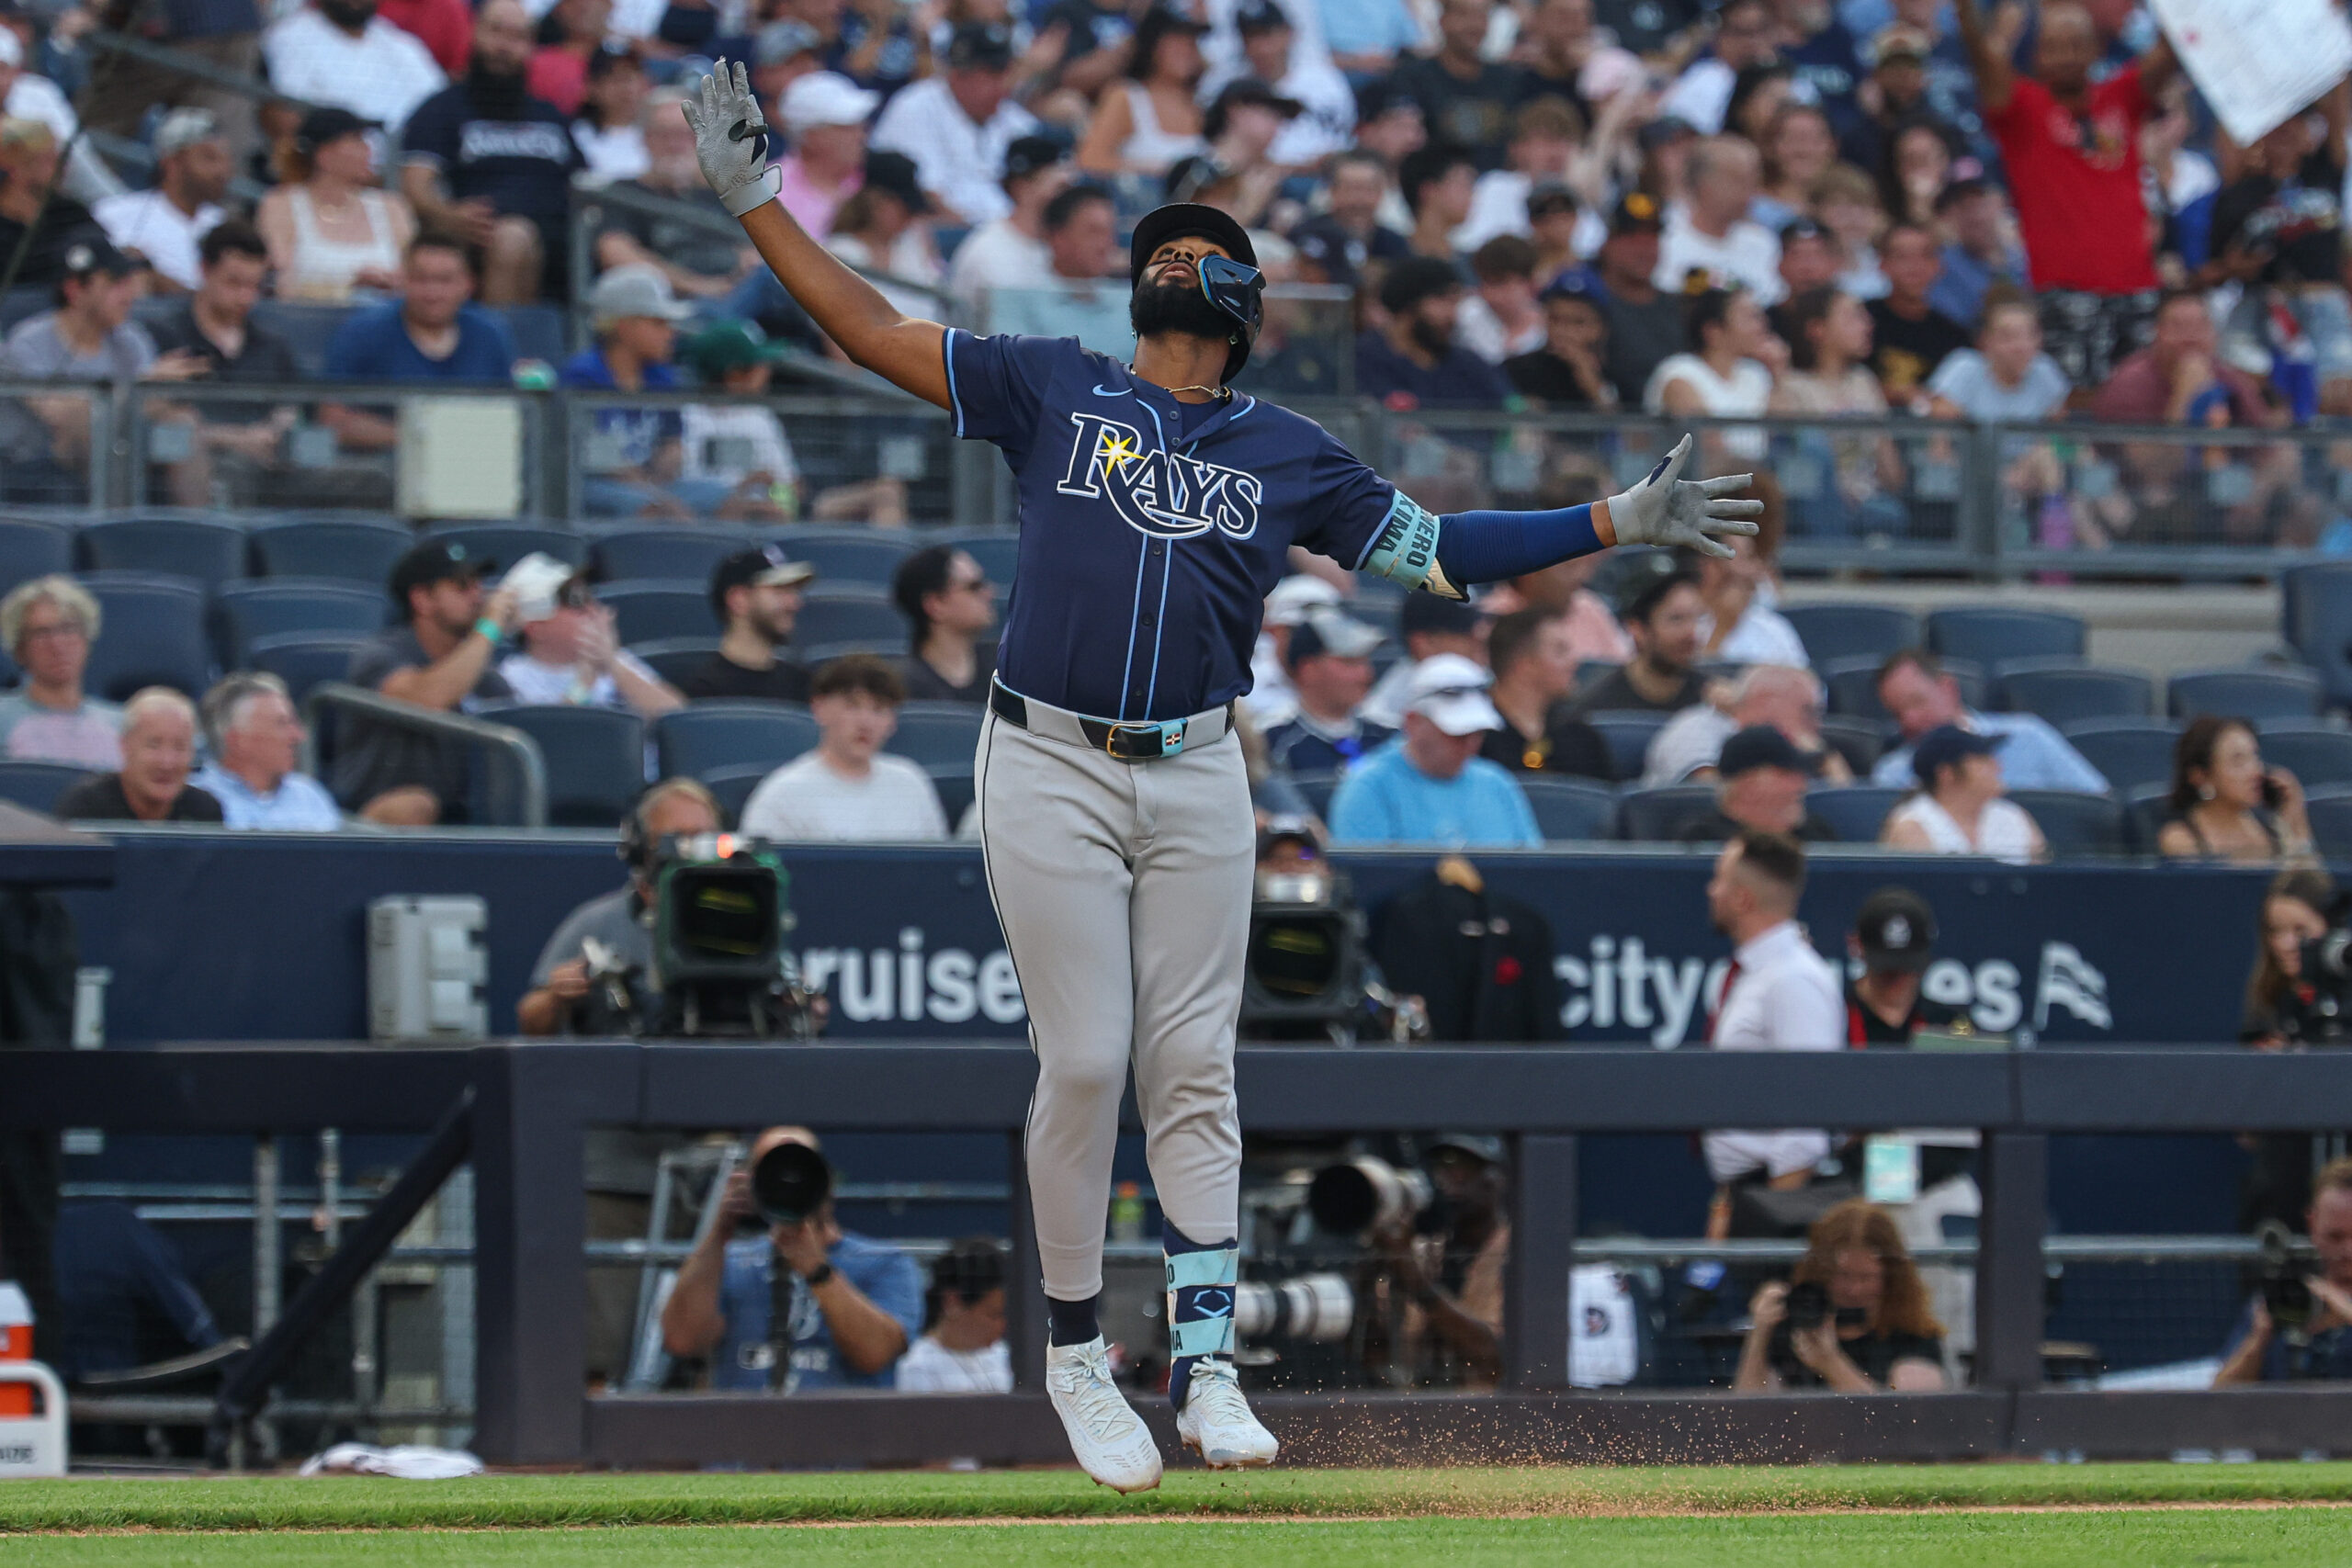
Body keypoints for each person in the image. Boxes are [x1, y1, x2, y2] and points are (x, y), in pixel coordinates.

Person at [682, 60, 1757, 1483]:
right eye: (1167, 247)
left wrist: (1610, 519)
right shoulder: (1053, 380)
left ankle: (1205, 1366)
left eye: (1209, 251)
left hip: (1197, 768)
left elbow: (1438, 551)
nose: (1182, 259)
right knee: (1081, 1058)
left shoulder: (1290, 450)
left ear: (1241, 302)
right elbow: (871, 324)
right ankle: (1074, 1356)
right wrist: (757, 201)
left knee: (1194, 1068)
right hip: (1049, 755)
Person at [1954, 0, 2171, 388]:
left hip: (2137, 287)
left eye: (2076, 44)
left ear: (2096, 50)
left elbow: (2172, 52)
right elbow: (1983, 60)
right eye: (2053, 46)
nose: (2066, 56)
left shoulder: (2120, 96)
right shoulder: (2023, 107)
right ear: (2036, 56)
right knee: (2071, 402)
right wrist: (1969, 16)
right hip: (2062, 289)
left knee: (2137, 404)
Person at [660, 1126, 925, 1392]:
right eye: (771, 1171)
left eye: (803, 1168)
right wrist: (720, 1231)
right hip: (745, 1427)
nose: (790, 1183)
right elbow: (682, 1340)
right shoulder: (730, 1261)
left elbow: (876, 1355)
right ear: (752, 1182)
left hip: (845, 1427)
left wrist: (817, 1269)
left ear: (828, 1180)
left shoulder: (883, 1260)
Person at [399, 0, 583, 306]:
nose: (504, 46)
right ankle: (504, 350)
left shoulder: (550, 115)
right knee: (512, 237)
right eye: (496, 32)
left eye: (517, 37)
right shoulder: (442, 108)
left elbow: (583, 184)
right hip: (479, 238)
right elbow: (415, 182)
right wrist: (446, 215)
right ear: (474, 33)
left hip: (560, 240)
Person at [0, 238, 209, 507]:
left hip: (123, 452)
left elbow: (149, 410)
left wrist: (164, 393)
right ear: (75, 290)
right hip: (39, 470)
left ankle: (198, 534)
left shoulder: (130, 339)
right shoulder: (29, 341)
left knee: (182, 423)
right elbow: (60, 416)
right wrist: (144, 385)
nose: (129, 295)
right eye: (115, 284)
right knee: (88, 429)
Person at [1699, 829, 1842, 1220]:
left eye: (1720, 880)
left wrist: (1768, 1220)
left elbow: (1807, 1123)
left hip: (1774, 1199)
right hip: (1743, 1191)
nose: (1711, 891)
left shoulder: (1793, 980)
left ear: (1743, 898)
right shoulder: (1752, 974)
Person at [331, 541, 517, 826]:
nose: (477, 595)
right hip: (376, 818)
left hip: (463, 818)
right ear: (422, 599)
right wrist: (489, 627)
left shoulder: (483, 672)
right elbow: (425, 699)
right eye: (462, 585)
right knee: (415, 806)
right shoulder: (381, 654)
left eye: (478, 584)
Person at [518, 776, 721, 1033]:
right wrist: (556, 997)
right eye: (676, 839)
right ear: (640, 848)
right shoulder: (596, 923)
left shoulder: (743, 920)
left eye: (703, 839)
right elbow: (530, 1022)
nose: (690, 852)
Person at [320, 236, 518, 446]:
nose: (432, 293)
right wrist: (421, 439)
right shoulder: (361, 332)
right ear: (402, 280)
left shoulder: (491, 335)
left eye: (444, 280)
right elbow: (332, 420)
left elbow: (513, 417)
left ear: (468, 285)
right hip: (380, 469)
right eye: (420, 279)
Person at [1735, 1198, 1950, 1392]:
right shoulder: (1794, 1328)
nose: (1854, 1290)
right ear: (1822, 1272)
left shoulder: (1912, 1336)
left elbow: (1903, 1421)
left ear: (1891, 1277)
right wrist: (1759, 1334)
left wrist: (1832, 1364)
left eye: (1866, 1278)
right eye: (1843, 1276)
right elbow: (1747, 1415)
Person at [1328, 654, 1542, 847]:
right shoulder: (1369, 787)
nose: (1469, 745)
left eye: (1477, 733)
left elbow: (1532, 872)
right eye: (1456, 735)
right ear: (1413, 723)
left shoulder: (1498, 784)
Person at [560, 265, 720, 519]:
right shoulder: (583, 375)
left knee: (733, 499)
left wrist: (672, 455)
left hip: (651, 485)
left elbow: (673, 440)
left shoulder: (663, 376)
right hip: (594, 487)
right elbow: (602, 460)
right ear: (625, 326)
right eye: (659, 323)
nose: (671, 332)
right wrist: (661, 499)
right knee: (652, 510)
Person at [739, 655, 948, 841]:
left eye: (879, 709)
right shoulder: (783, 793)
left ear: (892, 722)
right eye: (852, 706)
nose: (866, 723)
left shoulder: (911, 783)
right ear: (819, 708)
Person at [1358, 1134, 1510, 1390]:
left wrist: (1419, 1286)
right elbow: (1376, 1355)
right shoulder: (1423, 1252)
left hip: (1492, 1417)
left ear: (1496, 1179)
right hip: (1417, 1414)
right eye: (1442, 1169)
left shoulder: (1520, 1255)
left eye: (1464, 1171)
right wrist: (1373, 1269)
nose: (1449, 1182)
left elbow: (1496, 1354)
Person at [2239, 872, 2342, 1233]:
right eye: (2274, 930)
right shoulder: (2266, 1009)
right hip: (2281, 1195)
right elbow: (2246, 1130)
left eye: (2300, 931)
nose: (2285, 943)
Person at [868, 22, 1039, 225]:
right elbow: (924, 194)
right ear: (957, 74)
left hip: (1002, 237)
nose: (1003, 84)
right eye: (992, 74)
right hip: (944, 235)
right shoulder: (916, 106)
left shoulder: (1013, 118)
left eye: (1006, 72)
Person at [1870, 649, 2107, 794]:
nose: (1909, 720)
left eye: (1917, 702)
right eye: (1897, 713)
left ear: (1948, 688)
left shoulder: (2027, 735)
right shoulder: (1893, 774)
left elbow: (2097, 802)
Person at [254, 107, 416, 302]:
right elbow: (280, 285)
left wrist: (393, 284)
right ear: (324, 154)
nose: (369, 149)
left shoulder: (392, 207)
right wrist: (349, 287)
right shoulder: (281, 205)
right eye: (357, 140)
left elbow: (416, 279)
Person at [2214, 1156, 2352, 1384]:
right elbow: (2215, 1399)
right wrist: (2259, 1338)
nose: (2348, 1250)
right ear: (2312, 1224)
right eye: (2335, 1237)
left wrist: (2346, 1312)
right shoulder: (2289, 1295)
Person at [494, 556, 684, 718]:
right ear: (535, 628)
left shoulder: (615, 660)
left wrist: (612, 664)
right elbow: (552, 744)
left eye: (588, 596)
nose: (591, 609)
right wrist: (584, 683)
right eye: (575, 601)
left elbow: (675, 717)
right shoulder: (512, 678)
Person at [2088, 287, 2275, 428]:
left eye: (2200, 327)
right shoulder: (2129, 384)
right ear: (2157, 333)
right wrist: (2187, 392)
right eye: (2178, 327)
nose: (2191, 338)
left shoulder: (2232, 379)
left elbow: (2271, 453)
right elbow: (2150, 470)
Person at [978, 183, 1128, 353]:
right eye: (1093, 232)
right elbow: (1012, 366)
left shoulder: (1128, 302)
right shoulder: (1017, 299)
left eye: (1110, 232)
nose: (1106, 244)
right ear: (1058, 238)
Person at [91, 108, 228, 293]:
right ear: (172, 163)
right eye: (209, 158)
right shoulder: (115, 213)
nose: (222, 171)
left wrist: (156, 276)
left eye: (225, 160)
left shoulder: (226, 226)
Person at [1355, 254, 1514, 410]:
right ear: (1408, 305)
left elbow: (1512, 409)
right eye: (1443, 300)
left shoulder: (1468, 364)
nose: (1452, 314)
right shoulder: (1360, 360)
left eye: (1455, 302)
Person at [1643, 663, 1838, 787]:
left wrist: (1824, 758)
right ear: (1767, 702)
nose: (1817, 723)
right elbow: (1714, 795)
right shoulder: (1697, 729)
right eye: (1809, 711)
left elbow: (1842, 806)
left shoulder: (1803, 746)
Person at [189, 673, 342, 830]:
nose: (298, 736)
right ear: (238, 740)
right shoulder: (195, 801)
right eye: (282, 723)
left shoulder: (308, 796)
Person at [262, 0, 446, 131]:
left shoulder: (401, 43)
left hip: (410, 164)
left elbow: (440, 105)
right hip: (337, 169)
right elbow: (288, 117)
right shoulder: (292, 35)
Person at [1389, 0, 1529, 171]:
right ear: (1443, 21)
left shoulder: (1508, 79)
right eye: (1464, 15)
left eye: (1481, 16)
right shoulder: (1413, 78)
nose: (1474, 25)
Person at [2155, 715, 2312, 865]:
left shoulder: (2272, 826)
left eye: (2255, 757)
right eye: (2238, 761)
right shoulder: (2181, 839)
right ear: (2201, 777)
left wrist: (2297, 828)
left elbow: (2312, 887)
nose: (2256, 771)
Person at [53, 688, 224, 824]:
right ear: (125, 746)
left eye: (180, 747)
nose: (167, 762)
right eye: (153, 745)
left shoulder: (205, 814)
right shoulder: (86, 810)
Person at [0, 576, 119, 768]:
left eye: (68, 629)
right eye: (41, 633)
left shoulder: (122, 724)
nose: (56, 645)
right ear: (20, 649)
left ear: (86, 640)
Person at [1882, 724, 2045, 863]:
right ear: (1947, 773)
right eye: (1983, 760)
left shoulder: (2014, 817)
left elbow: (2042, 881)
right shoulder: (1913, 825)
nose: (1998, 767)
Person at [1074, 6, 1207, 177]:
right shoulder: (1128, 96)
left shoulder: (1201, 105)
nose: (1186, 49)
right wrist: (1161, 171)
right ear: (1152, 44)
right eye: (1176, 40)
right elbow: (1089, 161)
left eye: (1191, 41)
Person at [1477, 607, 1608, 780]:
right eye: (1561, 651)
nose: (1574, 661)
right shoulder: (1475, 739)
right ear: (1524, 664)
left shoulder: (1581, 739)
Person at [945, 135, 1074, 305]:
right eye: (1060, 188)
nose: (1069, 199)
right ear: (1021, 187)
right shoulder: (989, 252)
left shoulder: (1065, 248)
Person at [678, 547, 816, 704]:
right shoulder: (705, 690)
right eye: (780, 591)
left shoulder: (802, 684)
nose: (795, 603)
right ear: (738, 600)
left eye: (794, 592)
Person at [1260, 609, 1389, 773]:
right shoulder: (1271, 742)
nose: (1365, 674)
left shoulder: (1389, 737)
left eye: (1365, 661)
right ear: (1308, 669)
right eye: (1350, 662)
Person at [1655, 136, 1781, 302]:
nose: (1752, 192)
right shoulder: (1664, 237)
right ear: (1704, 183)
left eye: (1754, 181)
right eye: (1739, 181)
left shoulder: (1762, 242)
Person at [1591, 192, 1688, 405]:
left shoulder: (1680, 307)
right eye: (1632, 237)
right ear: (1608, 242)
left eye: (1652, 236)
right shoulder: (1588, 303)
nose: (1644, 248)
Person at [1568, 570, 1707, 716]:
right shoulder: (1596, 711)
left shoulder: (1713, 703)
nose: (1692, 633)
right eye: (1676, 619)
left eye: (1698, 618)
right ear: (1637, 629)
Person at [1925, 287, 2071, 421]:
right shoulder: (1965, 368)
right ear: (1986, 340)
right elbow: (1939, 437)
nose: (2021, 346)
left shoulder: (2045, 371)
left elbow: (2062, 435)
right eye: (2008, 337)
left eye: (2030, 335)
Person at [1675, 724, 1838, 843]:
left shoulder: (1817, 835)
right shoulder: (1699, 844)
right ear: (1747, 787)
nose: (1801, 786)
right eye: (1786, 775)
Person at [1866, 222, 1970, 406]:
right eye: (1902, 257)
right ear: (1882, 264)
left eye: (1925, 256)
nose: (1914, 266)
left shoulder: (1954, 336)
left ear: (1939, 265)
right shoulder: (1861, 320)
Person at [894, 1237, 1013, 1393]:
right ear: (953, 1302)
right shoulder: (918, 1367)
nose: (1001, 1326)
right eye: (993, 1315)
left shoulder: (1000, 1352)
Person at [1358, 590, 1488, 728]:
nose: (1480, 637)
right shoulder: (1384, 717)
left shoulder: (1486, 678)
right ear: (1423, 643)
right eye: (1464, 633)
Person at [0, 118, 103, 293]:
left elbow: (104, 250)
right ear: (15, 169)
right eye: (49, 160)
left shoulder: (69, 211)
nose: (63, 167)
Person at [773, 72, 878, 241]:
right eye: (846, 128)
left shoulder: (876, 182)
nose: (861, 135)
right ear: (811, 136)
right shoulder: (771, 191)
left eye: (861, 125)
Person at [1289, 148, 1410, 290]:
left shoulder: (1395, 245)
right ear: (1332, 191)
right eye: (1350, 189)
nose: (1359, 200)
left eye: (1368, 189)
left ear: (1381, 193)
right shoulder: (1304, 234)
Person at [892, 546, 998, 705]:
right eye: (974, 587)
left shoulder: (1004, 670)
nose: (989, 593)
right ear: (936, 604)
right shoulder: (903, 687)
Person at [1928, 178, 2026, 328]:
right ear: (1951, 216)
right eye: (1965, 207)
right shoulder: (1943, 267)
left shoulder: (2022, 258)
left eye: (1982, 204)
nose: (1977, 215)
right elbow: (1949, 320)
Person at [1504, 275, 1615, 408]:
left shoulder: (1618, 371)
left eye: (1578, 322)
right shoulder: (1516, 369)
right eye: (1555, 319)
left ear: (1599, 327)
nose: (1563, 331)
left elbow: (1627, 424)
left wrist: (1592, 384)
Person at [1456, 233, 1546, 364]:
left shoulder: (1548, 330)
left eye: (1501, 283)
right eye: (1485, 282)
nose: (1490, 294)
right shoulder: (1463, 319)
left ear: (1530, 284)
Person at [571, 45, 650, 184]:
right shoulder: (576, 135)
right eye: (614, 78)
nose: (626, 88)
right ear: (592, 87)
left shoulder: (659, 132)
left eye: (631, 77)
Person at [1396, 140, 1477, 262]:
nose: (1471, 195)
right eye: (1464, 185)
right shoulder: (1394, 258)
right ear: (1429, 191)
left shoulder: (1471, 264)